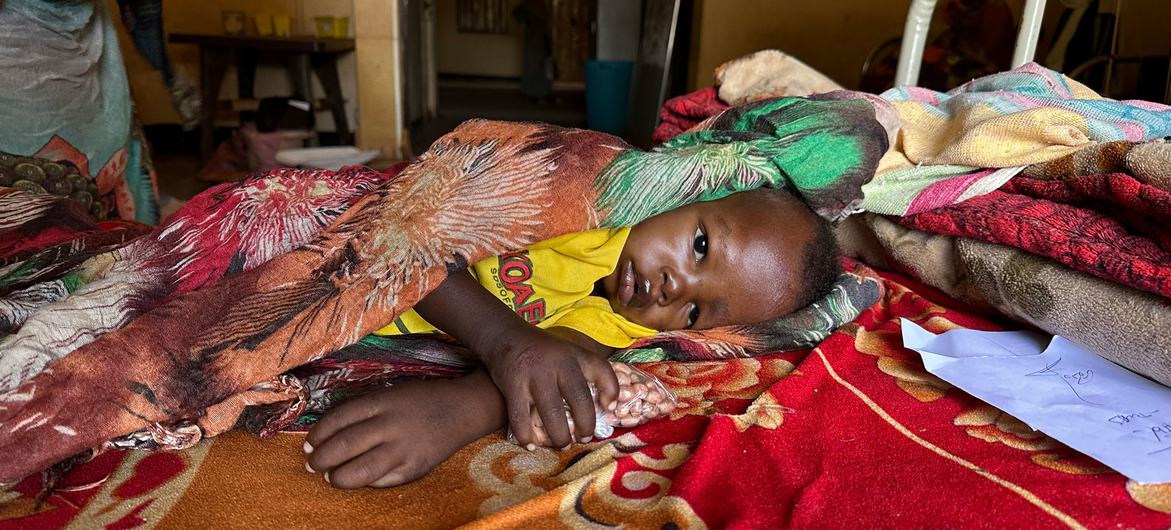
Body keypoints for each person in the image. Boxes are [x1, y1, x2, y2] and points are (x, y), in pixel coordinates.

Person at [301, 187, 841, 489]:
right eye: (700, 244)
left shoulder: (621, 323)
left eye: (695, 310)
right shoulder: (587, 206)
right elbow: (402, 235)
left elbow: (558, 359)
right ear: (692, 192)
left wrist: (459, 410)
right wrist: (506, 342)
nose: (675, 286)